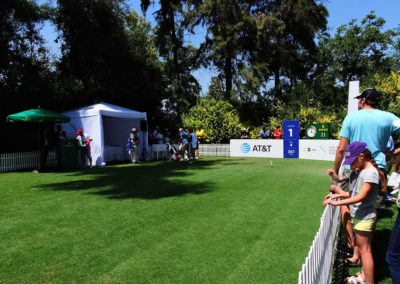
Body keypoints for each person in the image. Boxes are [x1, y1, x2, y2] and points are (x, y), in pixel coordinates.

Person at [324, 142, 384, 284]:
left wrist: (336, 202)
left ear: (362, 156)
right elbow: (352, 192)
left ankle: (369, 282)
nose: (351, 166)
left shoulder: (370, 173)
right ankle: (363, 276)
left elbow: (360, 196)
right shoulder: (362, 171)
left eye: (353, 162)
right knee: (364, 250)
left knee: (365, 251)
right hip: (361, 217)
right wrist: (335, 196)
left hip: (365, 218)